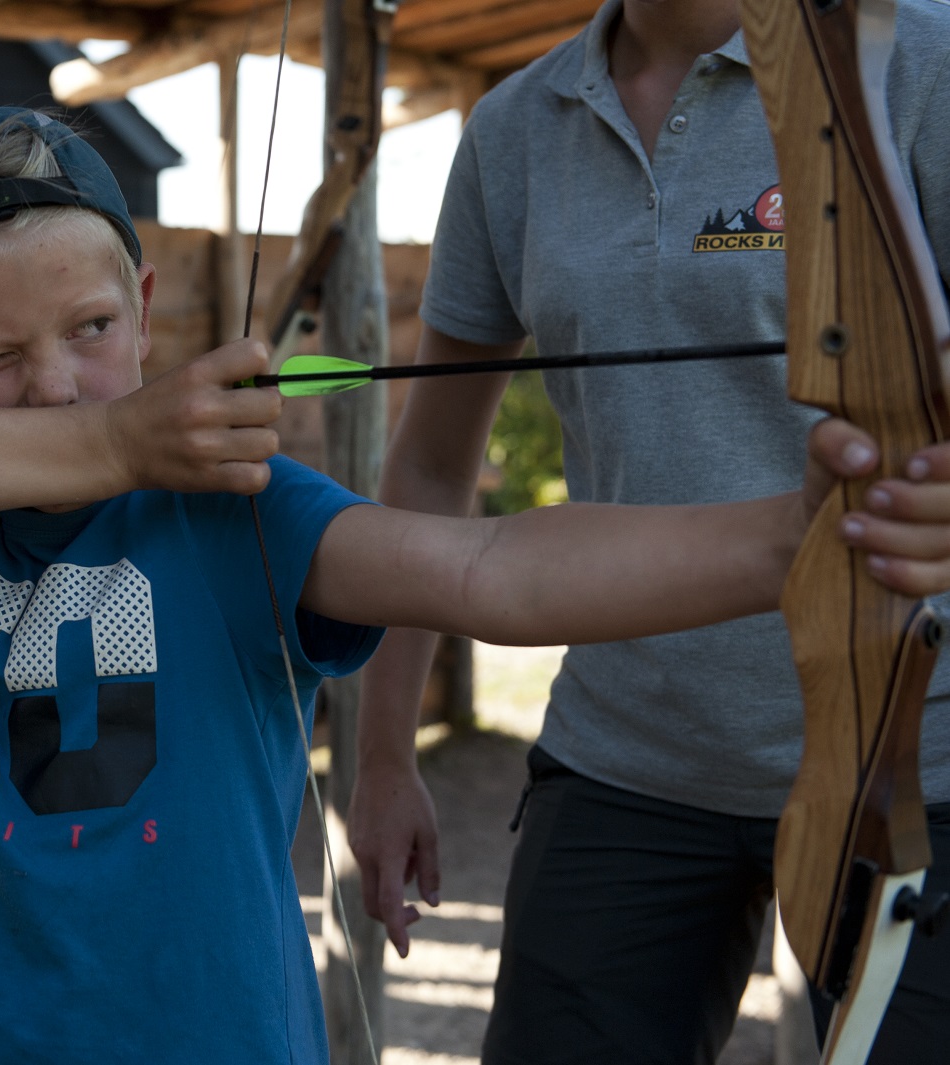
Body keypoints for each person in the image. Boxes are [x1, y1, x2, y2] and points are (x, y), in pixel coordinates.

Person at [0, 107, 950, 1064]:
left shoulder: (237, 512)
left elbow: (491, 573)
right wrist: (115, 445)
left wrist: (793, 539)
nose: (58, 385)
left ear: (149, 310)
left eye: (93, 328)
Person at [345, 2, 950, 1063]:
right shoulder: (515, 127)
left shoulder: (919, 57)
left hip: (915, 756)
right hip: (628, 759)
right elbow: (435, 465)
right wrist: (386, 750)